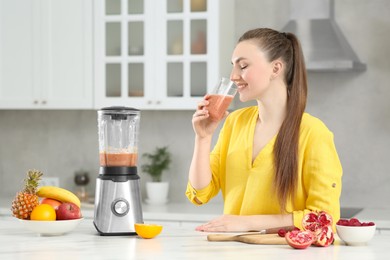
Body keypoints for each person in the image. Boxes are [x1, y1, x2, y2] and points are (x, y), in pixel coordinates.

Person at [186, 28, 342, 232]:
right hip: (236, 249)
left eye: (243, 66)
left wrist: (247, 222)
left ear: (276, 69)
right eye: (233, 66)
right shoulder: (235, 122)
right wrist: (203, 138)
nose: (233, 76)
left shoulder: (313, 133)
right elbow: (201, 192)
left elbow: (325, 217)